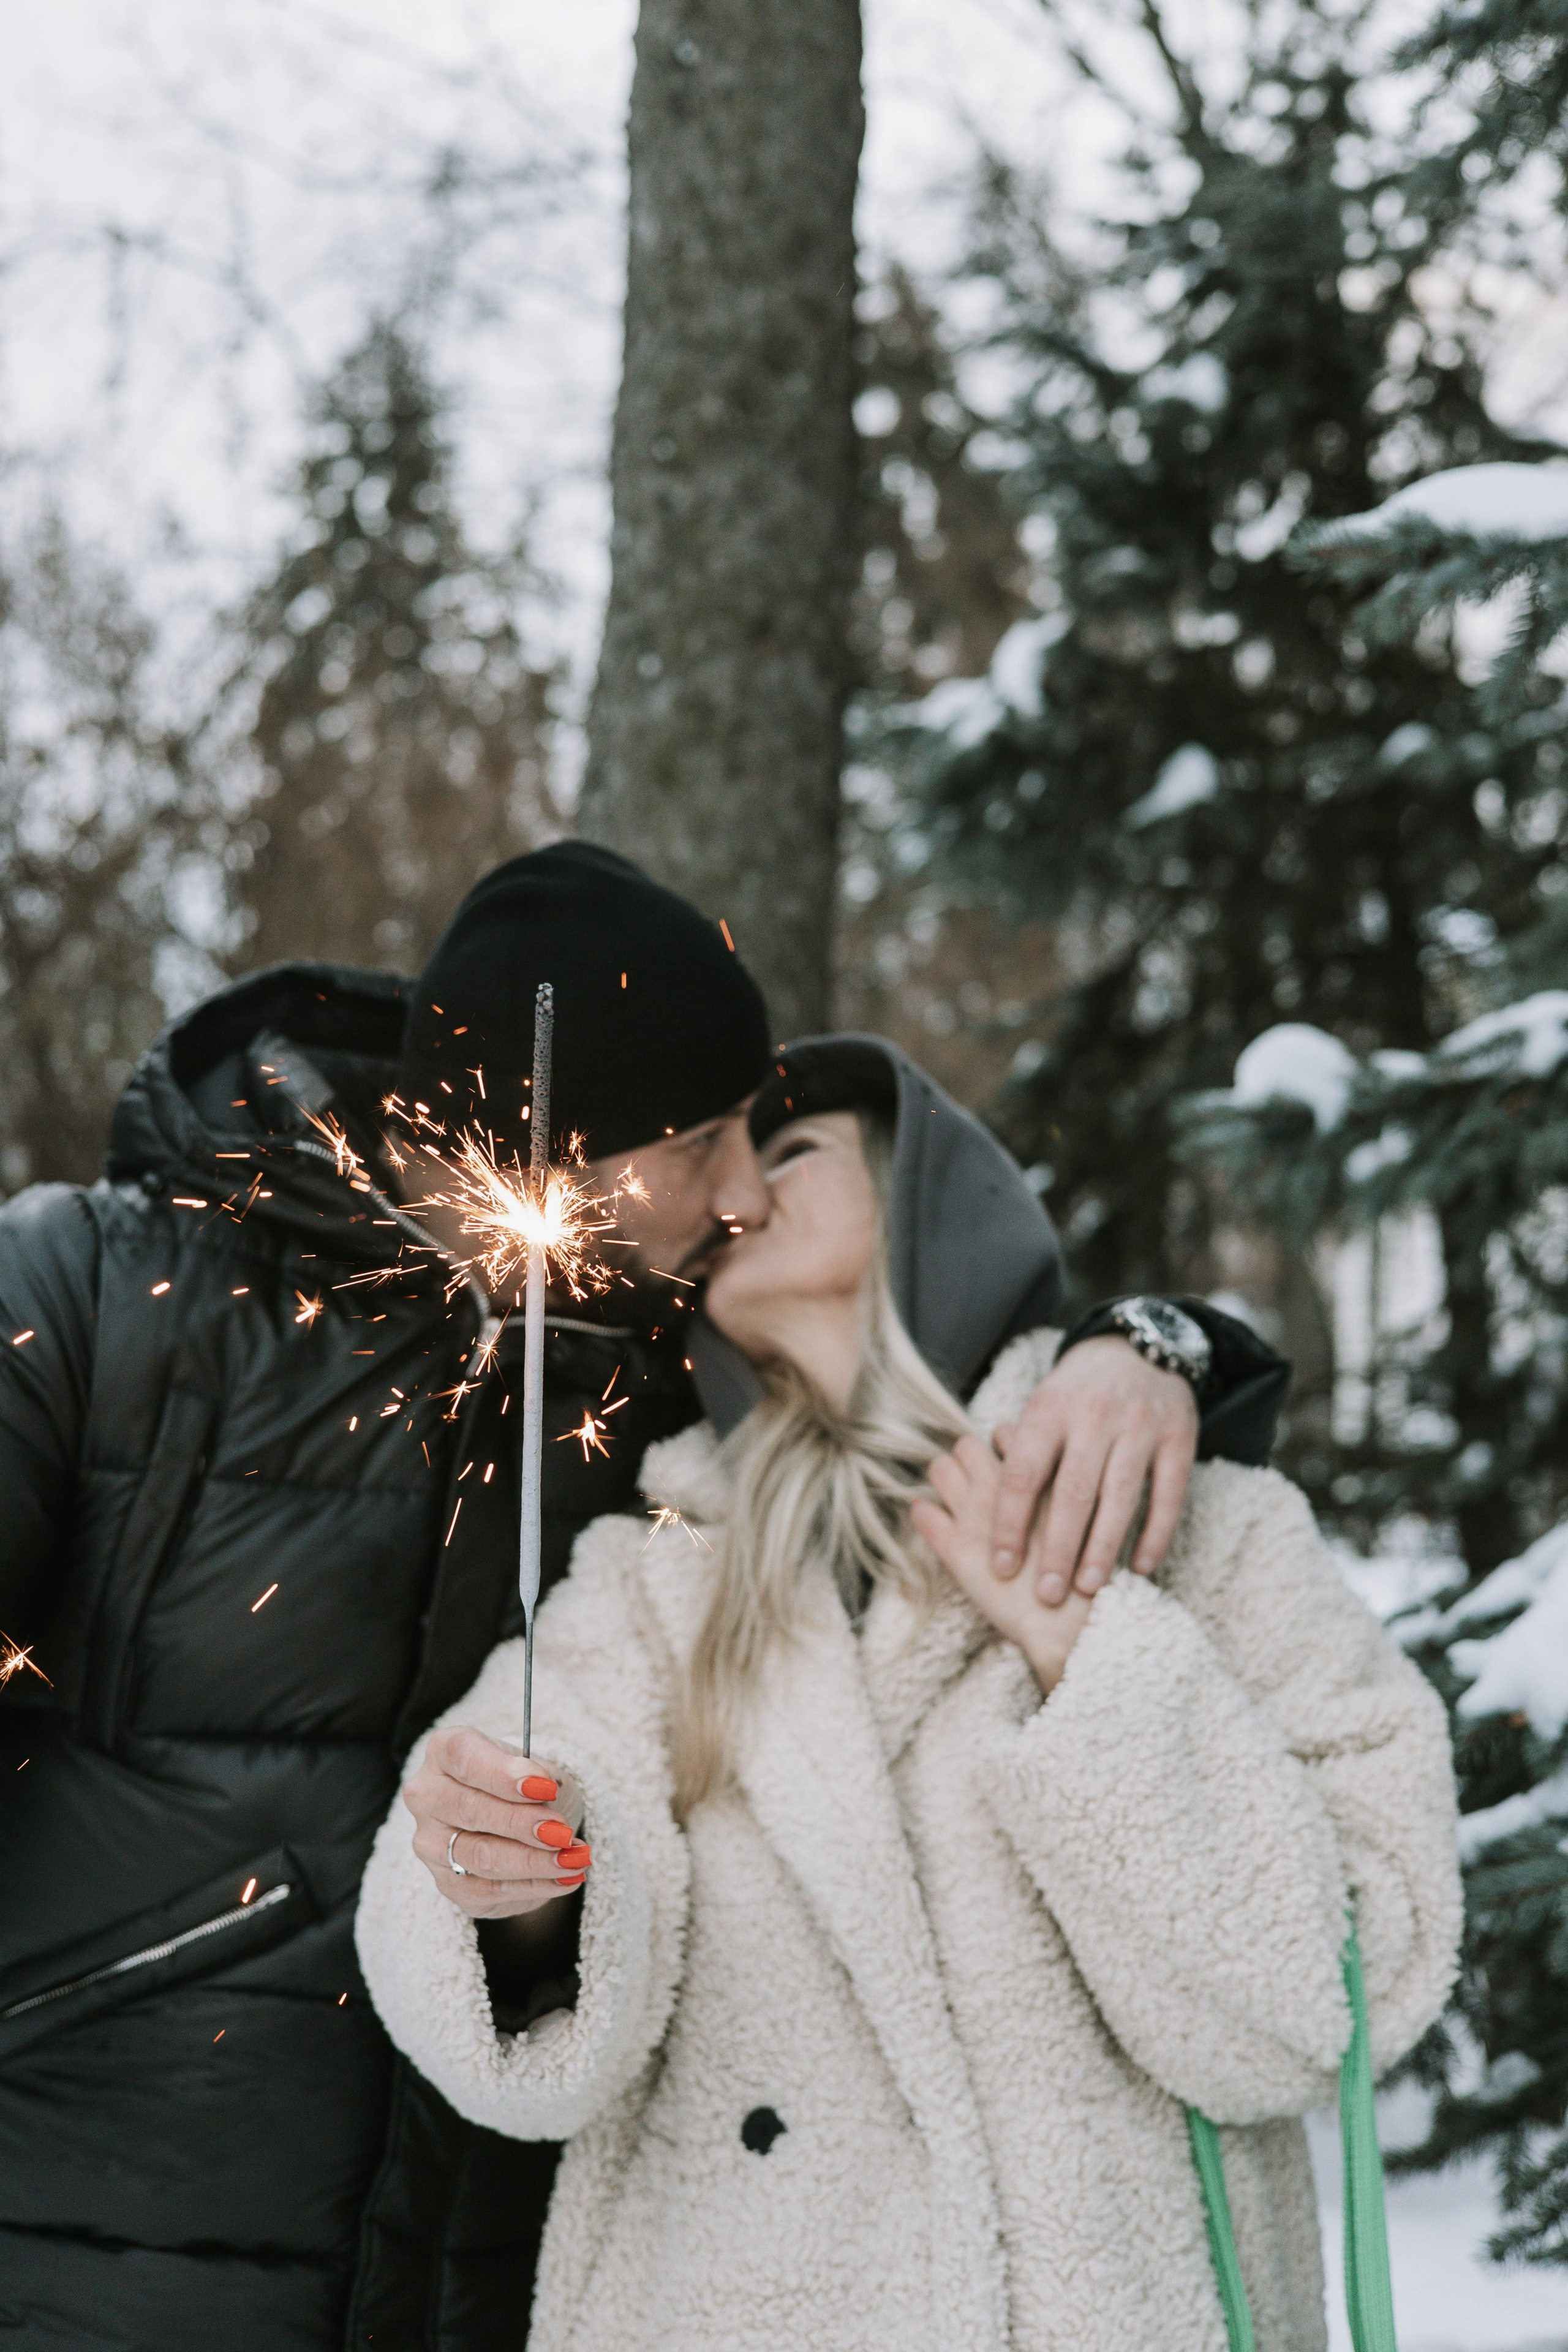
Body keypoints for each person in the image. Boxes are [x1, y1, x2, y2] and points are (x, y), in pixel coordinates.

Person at [0, 844, 1283, 2352]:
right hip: (97, 2256)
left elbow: (937, 1346)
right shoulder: (94, 1303)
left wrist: (1163, 1347)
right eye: (710, 1134)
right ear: (557, 1150)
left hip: (480, 2273)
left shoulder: (659, 1370)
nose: (746, 1190)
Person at [358, 1034, 1461, 2352]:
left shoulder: (1207, 1528)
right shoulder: (649, 1580)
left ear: (932, 1193)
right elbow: (524, 2023)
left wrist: (1088, 1651)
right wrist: (525, 1898)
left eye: (790, 1152)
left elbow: (1340, 1997)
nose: (734, 1194)